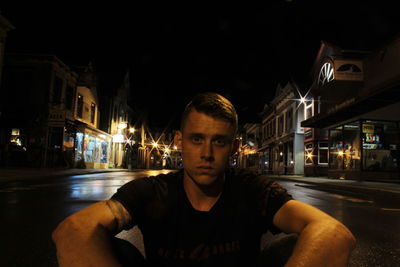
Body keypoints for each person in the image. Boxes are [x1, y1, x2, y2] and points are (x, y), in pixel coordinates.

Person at [52, 92, 356, 266]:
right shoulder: (153, 191)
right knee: (113, 248)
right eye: (197, 140)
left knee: (295, 245)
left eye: (219, 142)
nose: (207, 153)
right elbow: (72, 231)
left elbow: (334, 233)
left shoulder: (251, 189)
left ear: (233, 148)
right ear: (179, 141)